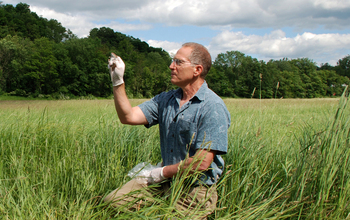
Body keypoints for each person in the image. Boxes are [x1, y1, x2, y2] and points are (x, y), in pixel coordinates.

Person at [104, 42, 231, 218]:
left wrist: (161, 172)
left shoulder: (212, 107)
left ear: (197, 70)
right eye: (173, 61)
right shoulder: (167, 99)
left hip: (194, 190)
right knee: (113, 201)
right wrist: (118, 81)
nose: (171, 66)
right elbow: (128, 117)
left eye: (179, 62)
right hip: (164, 181)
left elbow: (201, 163)